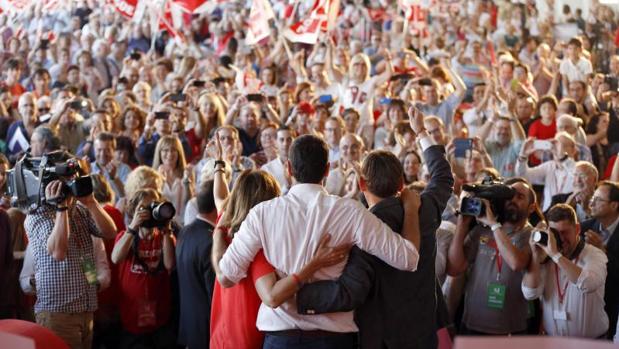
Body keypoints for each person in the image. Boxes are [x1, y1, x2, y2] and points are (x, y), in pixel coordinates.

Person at [216, 131, 428, 348]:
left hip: (281, 336)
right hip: (333, 337)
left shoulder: (262, 214)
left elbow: (226, 277)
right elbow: (408, 258)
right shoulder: (350, 211)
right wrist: (410, 208)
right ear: (327, 170)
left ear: (288, 169)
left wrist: (217, 237)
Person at [295, 107, 454, 348]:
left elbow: (350, 291)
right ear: (402, 182)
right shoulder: (425, 208)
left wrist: (295, 295)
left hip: (381, 340)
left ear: (361, 184)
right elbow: (443, 176)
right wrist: (421, 132)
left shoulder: (363, 229)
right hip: (422, 334)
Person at [24, 151, 117, 349]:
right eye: (66, 177)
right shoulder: (37, 215)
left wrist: (91, 202)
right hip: (58, 314)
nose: (71, 182)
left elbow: (110, 232)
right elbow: (59, 252)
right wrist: (61, 209)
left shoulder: (82, 209)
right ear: (51, 180)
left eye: (73, 176)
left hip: (86, 308)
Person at [447, 177, 537, 335]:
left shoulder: (532, 235)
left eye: (520, 197)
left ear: (531, 208)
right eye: (509, 196)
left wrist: (494, 225)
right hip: (472, 324)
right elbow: (455, 267)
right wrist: (463, 223)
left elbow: (516, 263)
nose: (512, 200)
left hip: (510, 330)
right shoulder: (483, 229)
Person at [522, 204, 608, 338]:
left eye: (565, 232)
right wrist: (535, 255)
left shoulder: (595, 254)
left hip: (590, 343)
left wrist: (556, 255)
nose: (560, 239)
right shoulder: (546, 255)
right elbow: (530, 293)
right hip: (552, 341)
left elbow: (588, 283)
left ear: (577, 229)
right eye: (555, 233)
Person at [111, 189, 176, 349]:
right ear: (134, 210)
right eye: (143, 208)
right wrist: (133, 227)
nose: (148, 211)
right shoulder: (126, 236)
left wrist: (166, 229)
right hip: (132, 317)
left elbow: (169, 265)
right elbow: (115, 258)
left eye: (153, 206)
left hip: (160, 316)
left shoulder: (164, 237)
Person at [176, 181, 217, 349]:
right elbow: (213, 293)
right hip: (206, 329)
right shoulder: (211, 241)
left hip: (188, 323)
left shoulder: (185, 231)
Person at [580, 181, 619, 339]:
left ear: (614, 205)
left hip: (613, 302)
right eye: (592, 198)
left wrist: (603, 251)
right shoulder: (583, 228)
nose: (592, 203)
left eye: (598, 200)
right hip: (586, 302)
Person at [516, 132, 578, 211]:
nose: (558, 149)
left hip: (570, 214)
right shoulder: (549, 166)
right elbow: (523, 176)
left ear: (574, 150)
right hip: (548, 214)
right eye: (555, 145)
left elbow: (575, 174)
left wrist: (562, 158)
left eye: (563, 146)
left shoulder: (578, 168)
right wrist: (523, 156)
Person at [91, 132, 131, 201]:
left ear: (114, 151)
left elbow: (128, 196)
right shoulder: (88, 168)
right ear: (94, 150)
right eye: (99, 150)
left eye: (107, 150)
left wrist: (114, 178)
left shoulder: (125, 169)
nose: (102, 154)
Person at [261, 126, 294, 192]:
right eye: (281, 140)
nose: (285, 144)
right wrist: (287, 186)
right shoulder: (267, 169)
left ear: (294, 141)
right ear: (275, 142)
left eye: (289, 139)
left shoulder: (302, 166)